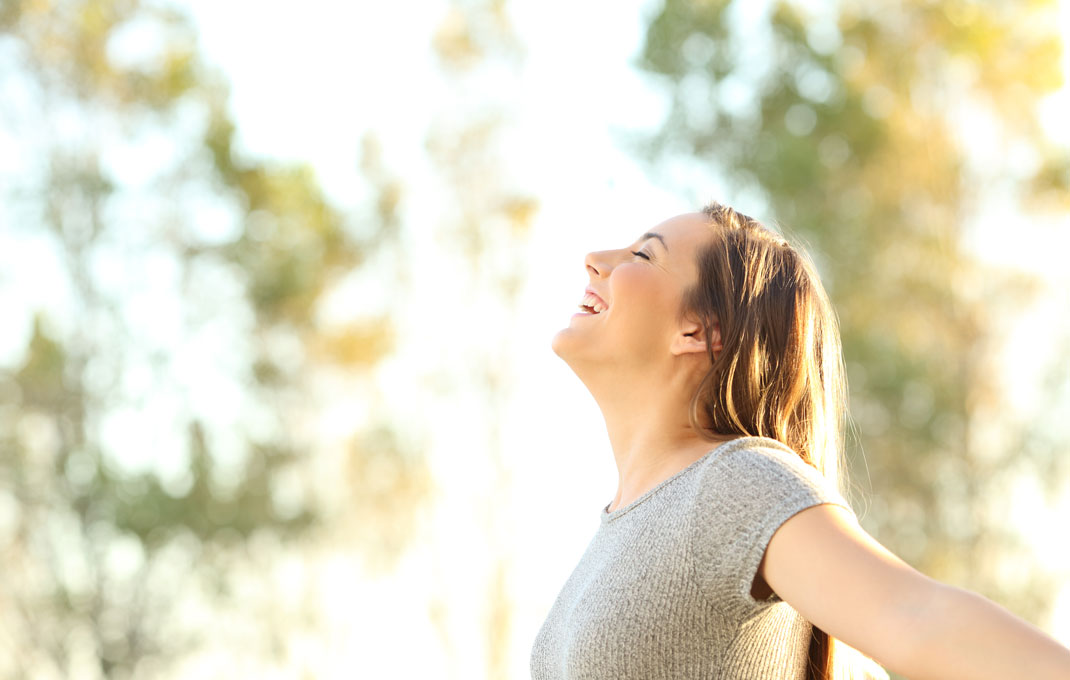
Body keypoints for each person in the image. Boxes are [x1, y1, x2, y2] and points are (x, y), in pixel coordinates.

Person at [530, 201, 1070, 680]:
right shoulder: (620, 526)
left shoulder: (733, 483)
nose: (596, 258)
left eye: (643, 257)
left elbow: (918, 617)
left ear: (699, 331)